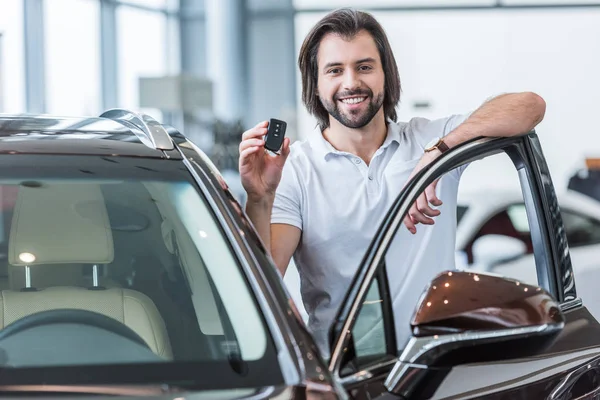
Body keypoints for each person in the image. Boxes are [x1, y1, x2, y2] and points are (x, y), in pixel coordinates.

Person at [238, 8, 546, 356]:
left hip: (434, 370)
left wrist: (439, 152)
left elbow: (529, 106)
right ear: (316, 82)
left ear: (387, 74)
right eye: (335, 70)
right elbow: (266, 279)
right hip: (346, 377)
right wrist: (259, 198)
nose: (351, 82)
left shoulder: (431, 139)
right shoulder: (296, 170)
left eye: (365, 66)